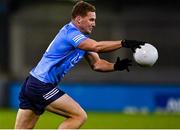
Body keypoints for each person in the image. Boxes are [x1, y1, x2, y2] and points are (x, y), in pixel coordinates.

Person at [14, 1, 146, 129]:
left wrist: (116, 66)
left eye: (94, 20)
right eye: (91, 20)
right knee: (78, 116)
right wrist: (123, 43)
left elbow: (97, 64)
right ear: (78, 19)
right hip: (41, 85)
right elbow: (97, 46)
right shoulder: (70, 33)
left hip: (33, 83)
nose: (94, 24)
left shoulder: (82, 41)